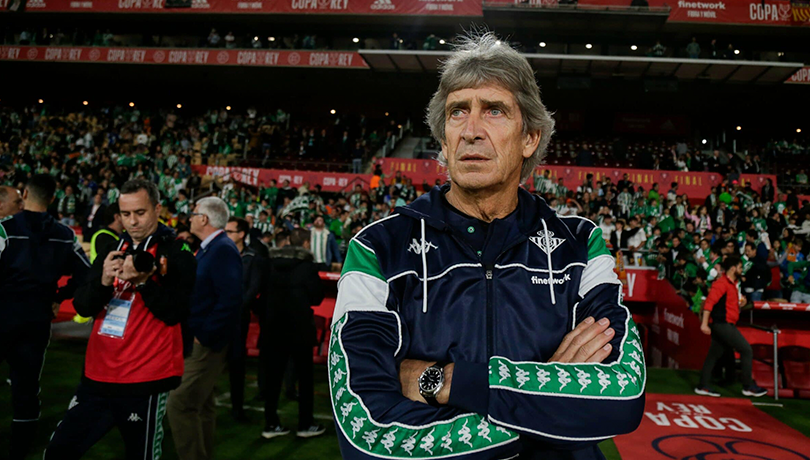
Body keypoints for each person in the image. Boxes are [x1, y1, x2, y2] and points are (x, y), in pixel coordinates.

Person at [329, 33, 644, 460]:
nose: (471, 131)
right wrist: (550, 400)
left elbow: (622, 395)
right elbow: (368, 432)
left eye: (494, 110)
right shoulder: (378, 248)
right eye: (458, 112)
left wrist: (440, 382)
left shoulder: (579, 243)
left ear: (530, 138)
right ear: (443, 139)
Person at [45, 179, 196, 459]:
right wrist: (103, 280)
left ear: (157, 209)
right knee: (58, 452)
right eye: (126, 214)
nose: (133, 221)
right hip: (97, 375)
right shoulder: (112, 249)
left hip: (145, 377)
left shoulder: (176, 253)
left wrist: (143, 283)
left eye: (140, 212)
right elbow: (82, 306)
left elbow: (174, 313)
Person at [0, 175, 91, 460]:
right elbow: (86, 274)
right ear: (53, 199)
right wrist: (59, 296)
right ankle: (19, 452)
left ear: (24, 193)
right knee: (27, 390)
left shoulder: (5, 230)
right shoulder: (64, 235)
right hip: (37, 321)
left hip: (3, 316)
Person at [168, 196, 242, 460]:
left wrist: (204, 336)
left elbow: (230, 299)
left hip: (206, 343)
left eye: (194, 212)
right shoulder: (213, 247)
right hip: (201, 339)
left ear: (204, 219)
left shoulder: (221, 249)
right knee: (202, 405)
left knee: (179, 404)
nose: (190, 217)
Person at [261, 227, 325, 439]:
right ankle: (305, 423)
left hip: (273, 327)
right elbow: (316, 297)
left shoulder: (270, 263)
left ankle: (271, 423)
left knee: (273, 377)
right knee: (305, 378)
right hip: (299, 328)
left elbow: (261, 295)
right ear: (306, 244)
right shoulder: (307, 266)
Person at [695, 256, 768, 398]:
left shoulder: (731, 284)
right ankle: (748, 386)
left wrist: (741, 304)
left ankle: (702, 386)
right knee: (746, 350)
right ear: (733, 268)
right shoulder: (721, 283)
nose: (742, 270)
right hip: (722, 324)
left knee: (713, 355)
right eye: (740, 267)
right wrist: (704, 323)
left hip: (723, 323)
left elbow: (727, 304)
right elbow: (709, 303)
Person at [224, 217, 265, 422]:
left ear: (241, 234)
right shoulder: (221, 253)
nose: (226, 235)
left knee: (236, 363)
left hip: (238, 316)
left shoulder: (253, 257)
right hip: (220, 315)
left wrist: (237, 307)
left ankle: (237, 408)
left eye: (229, 231)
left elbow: (254, 288)